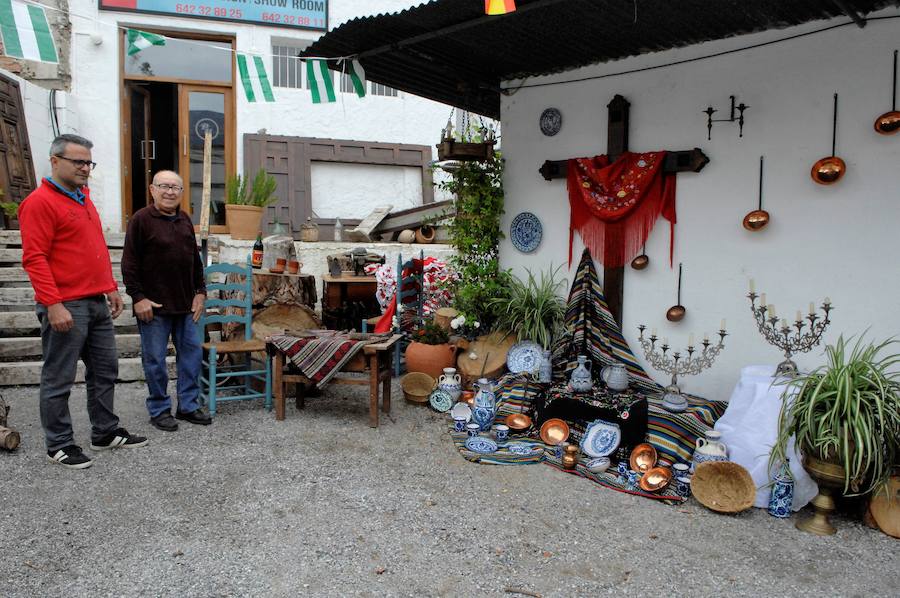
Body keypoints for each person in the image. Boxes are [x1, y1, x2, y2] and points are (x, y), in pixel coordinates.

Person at [19, 134, 148, 470]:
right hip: (66, 304)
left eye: (88, 162)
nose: (84, 168)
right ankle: (59, 445)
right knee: (58, 376)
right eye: (78, 161)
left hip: (96, 302)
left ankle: (104, 432)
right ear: (55, 161)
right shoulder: (39, 202)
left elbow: (94, 249)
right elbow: (35, 258)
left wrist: (110, 287)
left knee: (105, 370)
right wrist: (53, 303)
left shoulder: (82, 198)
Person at [121, 170, 210, 432]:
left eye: (176, 188)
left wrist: (200, 292)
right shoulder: (141, 220)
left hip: (185, 306)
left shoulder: (184, 219)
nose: (170, 192)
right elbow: (129, 263)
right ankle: (159, 409)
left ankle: (188, 406)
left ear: (182, 193)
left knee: (191, 357)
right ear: (152, 189)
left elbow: (195, 261)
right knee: (155, 361)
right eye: (164, 186)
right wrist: (138, 298)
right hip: (154, 307)